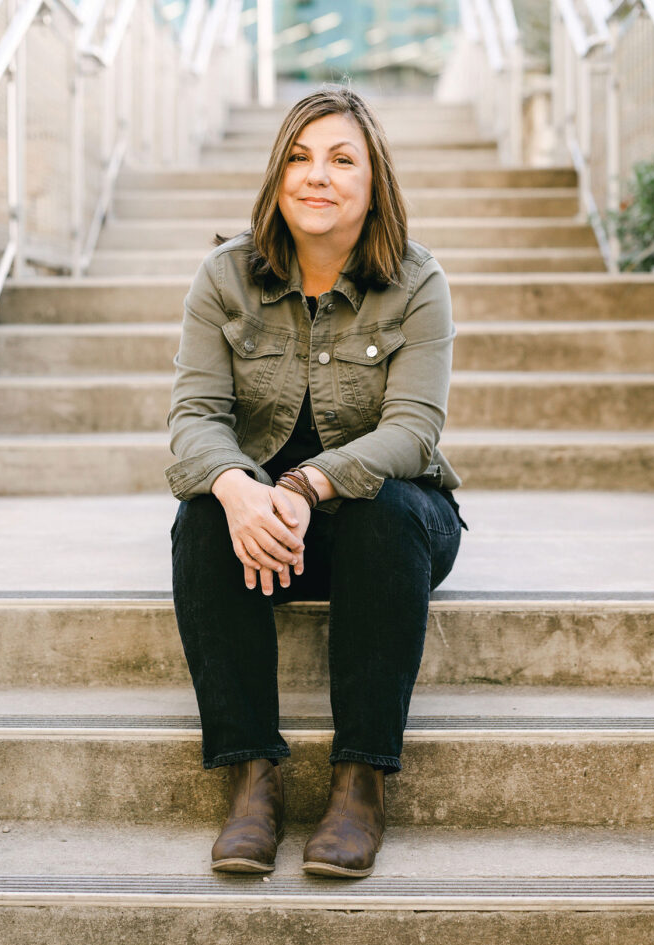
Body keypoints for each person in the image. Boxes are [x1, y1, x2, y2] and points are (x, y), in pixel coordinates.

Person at [165, 86, 469, 880]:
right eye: (298, 158)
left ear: (373, 185)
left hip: (393, 524)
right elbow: (194, 416)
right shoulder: (225, 276)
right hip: (266, 528)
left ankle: (359, 782)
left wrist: (301, 486)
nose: (316, 176)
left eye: (341, 160)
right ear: (276, 177)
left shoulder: (415, 280)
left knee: (383, 508)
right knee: (200, 519)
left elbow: (411, 432)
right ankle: (251, 780)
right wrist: (235, 486)